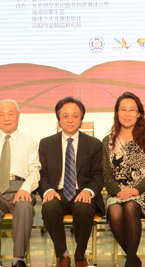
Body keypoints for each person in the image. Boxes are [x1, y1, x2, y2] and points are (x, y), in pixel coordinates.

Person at [39, 97, 104, 267]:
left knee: (83, 207)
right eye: (65, 116)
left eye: (75, 116)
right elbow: (41, 174)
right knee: (49, 207)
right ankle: (63, 254)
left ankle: (80, 255)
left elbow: (98, 175)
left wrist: (88, 191)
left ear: (81, 119)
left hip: (82, 192)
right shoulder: (46, 144)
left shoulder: (94, 144)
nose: (70, 120)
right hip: (57, 192)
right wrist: (48, 191)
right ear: (58, 119)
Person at [0, 99, 41, 267]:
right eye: (2, 114)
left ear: (18, 116)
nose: (6, 118)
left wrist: (25, 189)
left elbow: (34, 171)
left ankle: (18, 259)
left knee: (24, 206)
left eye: (11, 114)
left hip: (20, 188)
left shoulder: (30, 142)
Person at [102, 92, 145, 267]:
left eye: (132, 110)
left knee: (130, 206)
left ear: (139, 113)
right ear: (117, 112)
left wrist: (135, 190)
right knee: (114, 210)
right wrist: (119, 192)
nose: (127, 114)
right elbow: (106, 174)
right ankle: (133, 259)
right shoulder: (107, 141)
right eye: (123, 109)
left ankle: (130, 262)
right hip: (118, 193)